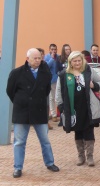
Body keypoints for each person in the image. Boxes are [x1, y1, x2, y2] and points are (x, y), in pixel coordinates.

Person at [6, 48, 60, 178]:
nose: (37, 60)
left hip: (39, 111)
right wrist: (22, 102)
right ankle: (17, 167)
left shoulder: (45, 73)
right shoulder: (16, 73)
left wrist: (37, 101)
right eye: (35, 58)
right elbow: (10, 91)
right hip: (22, 112)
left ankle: (50, 162)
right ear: (27, 59)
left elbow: (46, 90)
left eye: (39, 58)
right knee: (19, 142)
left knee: (45, 140)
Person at [55, 51, 100, 167]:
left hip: (88, 108)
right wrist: (62, 108)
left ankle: (90, 156)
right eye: (74, 61)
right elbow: (58, 93)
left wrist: (93, 86)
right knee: (78, 131)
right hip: (73, 109)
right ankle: (81, 156)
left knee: (89, 131)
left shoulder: (88, 71)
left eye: (79, 60)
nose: (77, 63)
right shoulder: (64, 75)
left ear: (82, 60)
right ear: (70, 62)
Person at [86, 44, 100, 124]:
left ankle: (99, 117)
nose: (95, 52)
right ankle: (90, 117)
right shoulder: (86, 59)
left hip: (98, 84)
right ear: (91, 50)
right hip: (89, 84)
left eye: (97, 50)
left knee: (99, 99)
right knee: (91, 100)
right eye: (94, 50)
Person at [37, 48, 54, 130]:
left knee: (46, 105)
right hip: (36, 90)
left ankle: (46, 122)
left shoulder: (45, 64)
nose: (42, 55)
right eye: (40, 54)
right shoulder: (33, 65)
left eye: (43, 54)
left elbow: (48, 75)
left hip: (45, 89)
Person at [44, 44, 60, 123]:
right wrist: (52, 59)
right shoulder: (46, 57)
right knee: (52, 98)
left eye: (55, 49)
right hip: (51, 80)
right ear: (49, 49)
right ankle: (53, 115)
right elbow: (46, 66)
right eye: (52, 49)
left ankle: (60, 113)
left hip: (59, 80)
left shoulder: (59, 57)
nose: (54, 51)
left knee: (59, 97)